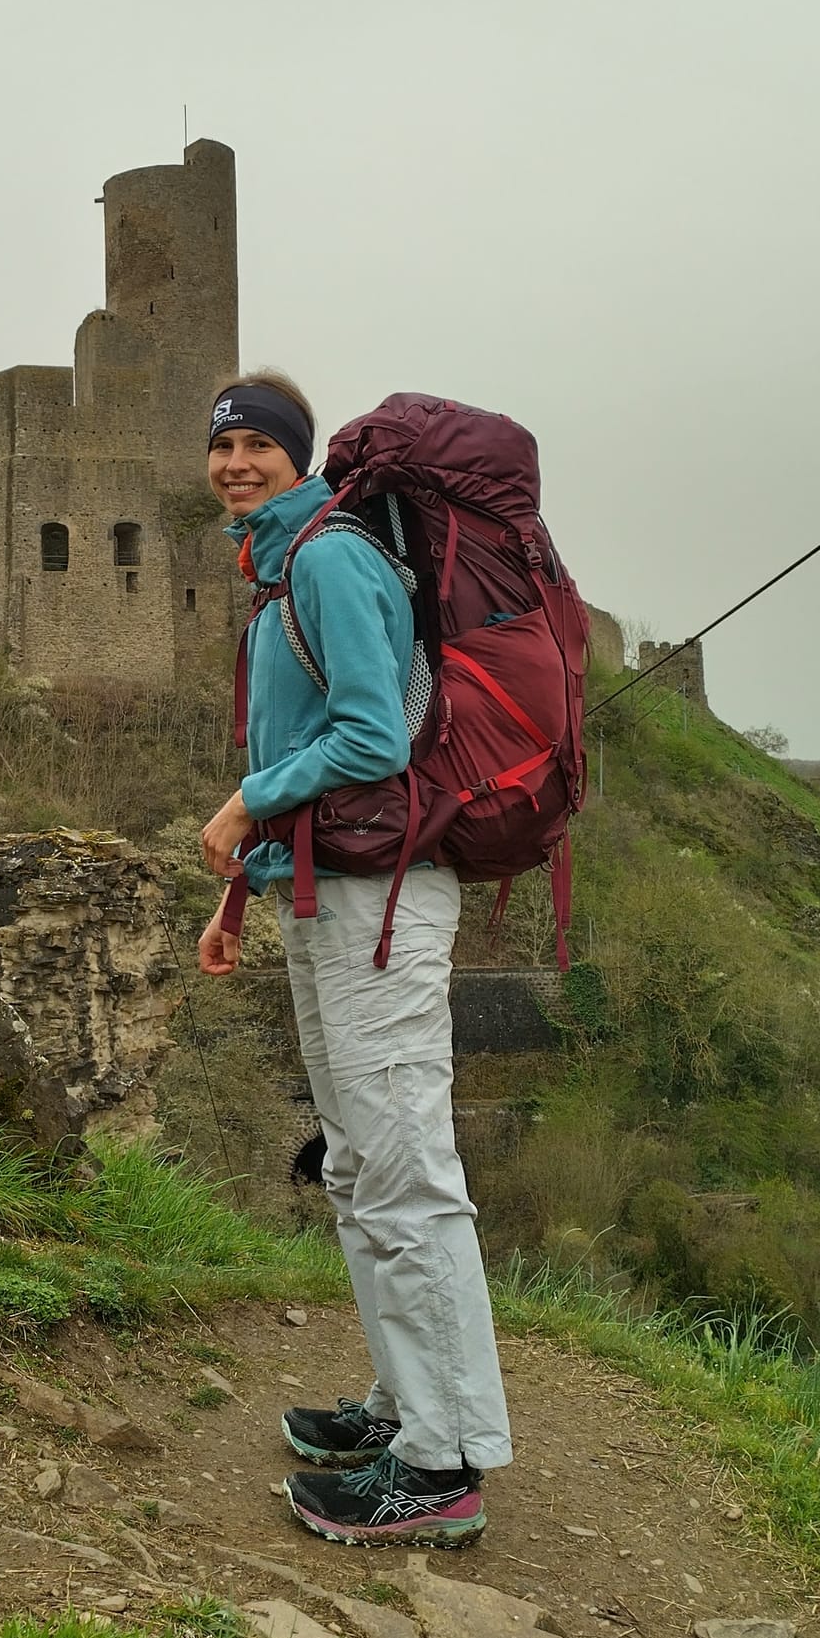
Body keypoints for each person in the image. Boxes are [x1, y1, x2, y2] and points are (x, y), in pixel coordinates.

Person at [197, 372, 513, 1547]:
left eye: (256, 446)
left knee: (401, 1173)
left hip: (382, 901)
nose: (235, 464)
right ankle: (402, 1410)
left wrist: (246, 802)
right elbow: (313, 743)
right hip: (325, 894)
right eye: (221, 447)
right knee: (352, 1169)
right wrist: (246, 888)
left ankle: (441, 1464)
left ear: (297, 458)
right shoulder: (285, 564)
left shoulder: (326, 558)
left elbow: (371, 735)